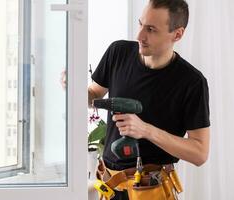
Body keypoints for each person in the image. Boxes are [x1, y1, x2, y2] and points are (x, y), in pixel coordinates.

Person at [88, 0, 210, 199]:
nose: (139, 36)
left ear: (177, 34)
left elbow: (200, 153)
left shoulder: (191, 82)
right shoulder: (118, 52)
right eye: (140, 24)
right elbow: (93, 94)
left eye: (151, 30)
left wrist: (146, 130)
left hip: (150, 190)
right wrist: (73, 87)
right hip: (110, 186)